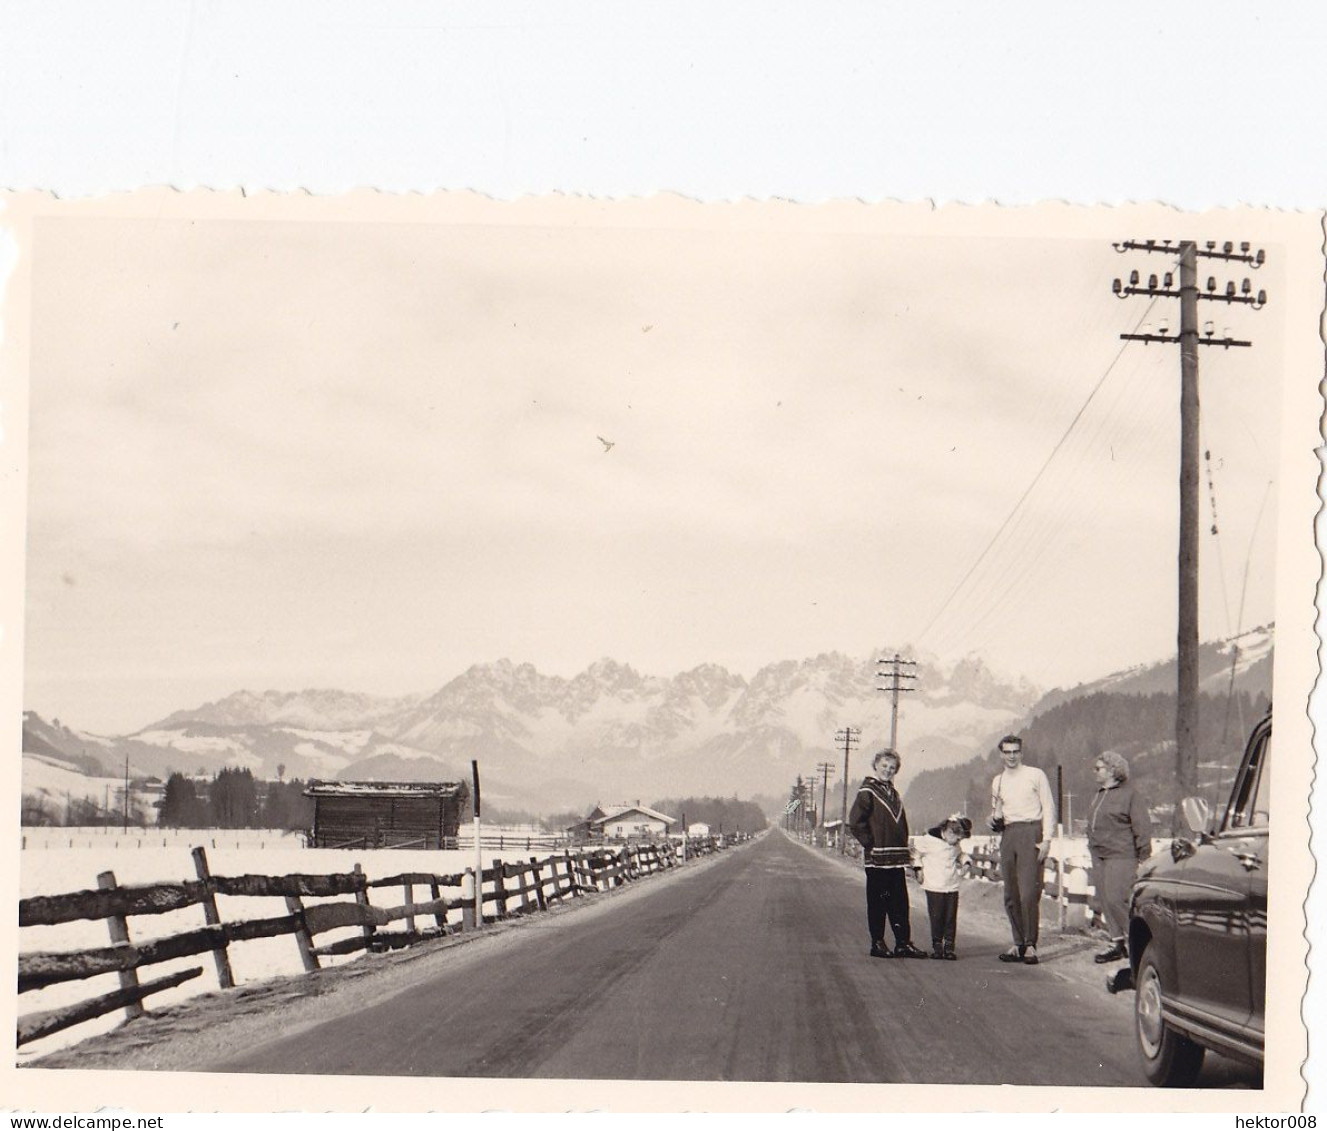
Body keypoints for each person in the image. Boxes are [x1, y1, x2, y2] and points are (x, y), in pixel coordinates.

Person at [849, 748, 929, 959]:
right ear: (875, 765)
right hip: (877, 860)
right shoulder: (867, 791)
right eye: (884, 766)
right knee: (878, 902)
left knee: (900, 903)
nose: (887, 770)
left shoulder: (892, 792)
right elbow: (856, 822)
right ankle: (877, 943)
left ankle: (903, 943)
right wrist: (870, 844)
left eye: (892, 768)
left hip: (896, 859)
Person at [989, 734, 1056, 965]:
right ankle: (1017, 942)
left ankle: (1030, 945)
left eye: (1015, 751)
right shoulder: (998, 781)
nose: (1011, 756)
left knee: (1029, 892)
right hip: (1009, 834)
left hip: (1031, 832)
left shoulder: (1035, 775)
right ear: (1001, 755)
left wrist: (1046, 840)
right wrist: (993, 820)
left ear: (1021, 752)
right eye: (1007, 752)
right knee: (1011, 893)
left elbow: (1048, 807)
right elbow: (997, 812)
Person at [1086, 749, 1152, 964]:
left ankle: (1139, 945)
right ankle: (1118, 944)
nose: (1094, 772)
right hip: (1099, 855)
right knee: (1105, 900)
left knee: (1116, 899)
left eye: (1098, 768)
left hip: (1122, 855)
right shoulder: (1099, 794)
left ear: (1113, 770)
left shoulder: (1130, 795)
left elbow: (1141, 825)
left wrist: (1144, 855)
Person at [912, 813, 972, 959]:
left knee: (950, 917)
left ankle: (949, 947)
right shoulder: (929, 840)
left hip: (951, 885)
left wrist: (966, 863)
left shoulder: (954, 844)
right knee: (936, 916)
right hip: (934, 885)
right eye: (957, 839)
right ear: (949, 832)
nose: (958, 842)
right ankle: (937, 946)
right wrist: (918, 870)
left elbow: (960, 855)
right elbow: (916, 854)